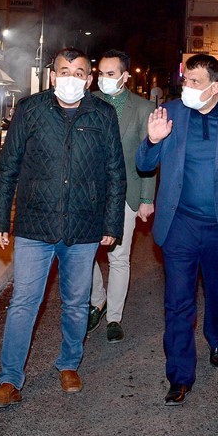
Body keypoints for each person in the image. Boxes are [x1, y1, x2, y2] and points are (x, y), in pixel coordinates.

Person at [0, 48, 126, 408]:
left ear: (89, 79)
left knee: (77, 303)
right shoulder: (30, 110)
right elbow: (8, 167)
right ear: (52, 76)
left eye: (79, 72)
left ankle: (68, 364)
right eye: (64, 71)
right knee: (23, 304)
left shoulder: (102, 113)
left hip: (83, 225)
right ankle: (9, 379)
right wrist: (1, 218)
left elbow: (115, 172)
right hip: (35, 224)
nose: (71, 78)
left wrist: (112, 223)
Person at [136, 53, 218, 406]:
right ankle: (179, 375)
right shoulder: (172, 113)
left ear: (214, 86)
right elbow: (144, 165)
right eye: (185, 81)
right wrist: (151, 140)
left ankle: (217, 337)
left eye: (194, 82)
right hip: (179, 223)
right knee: (177, 302)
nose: (187, 88)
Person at [87, 49, 155, 343]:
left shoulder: (142, 108)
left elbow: (149, 156)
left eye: (111, 74)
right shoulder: (88, 104)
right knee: (84, 254)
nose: (104, 79)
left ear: (126, 76)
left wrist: (146, 198)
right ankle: (96, 299)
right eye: (101, 73)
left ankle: (114, 317)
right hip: (88, 194)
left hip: (126, 193)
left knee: (119, 256)